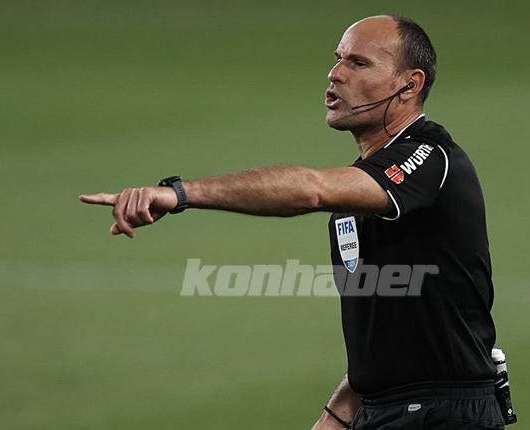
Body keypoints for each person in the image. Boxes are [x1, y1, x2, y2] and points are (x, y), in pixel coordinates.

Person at [80, 15, 505, 430]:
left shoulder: (429, 157)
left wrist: (180, 193)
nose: (335, 74)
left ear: (409, 85)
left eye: (359, 63)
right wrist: (336, 416)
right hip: (384, 411)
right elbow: (393, 334)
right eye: (338, 59)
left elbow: (311, 189)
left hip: (444, 414)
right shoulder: (357, 200)